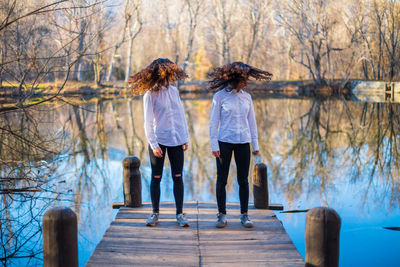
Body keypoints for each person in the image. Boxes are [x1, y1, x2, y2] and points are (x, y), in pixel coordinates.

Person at [208, 62, 272, 228]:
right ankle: (221, 214)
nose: (246, 82)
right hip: (224, 143)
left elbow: (252, 122)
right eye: (244, 79)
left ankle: (244, 215)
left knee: (243, 180)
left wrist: (255, 143)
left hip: (243, 142)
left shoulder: (247, 97)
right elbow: (213, 122)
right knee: (222, 180)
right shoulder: (219, 97)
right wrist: (214, 144)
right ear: (235, 79)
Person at [128, 58, 190, 227]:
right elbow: (147, 122)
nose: (167, 77)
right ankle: (155, 213)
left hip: (176, 139)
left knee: (178, 177)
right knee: (156, 177)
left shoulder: (174, 91)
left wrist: (185, 138)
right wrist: (154, 144)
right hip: (159, 141)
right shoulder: (150, 94)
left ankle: (179, 214)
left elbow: (181, 116)